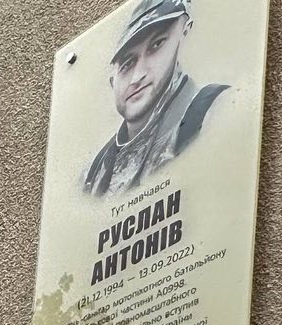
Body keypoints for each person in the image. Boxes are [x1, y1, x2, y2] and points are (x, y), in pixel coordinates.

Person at [82, 0, 228, 199]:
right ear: (112, 82)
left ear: (183, 34)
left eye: (157, 44)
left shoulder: (214, 111)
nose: (137, 76)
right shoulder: (93, 173)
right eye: (127, 64)